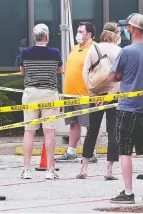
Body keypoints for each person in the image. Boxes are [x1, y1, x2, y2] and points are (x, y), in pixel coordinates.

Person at [76, 22, 121, 180]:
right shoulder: (119, 51)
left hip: (95, 95)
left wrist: (91, 90)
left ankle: (84, 168)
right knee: (113, 132)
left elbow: (84, 71)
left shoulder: (93, 49)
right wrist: (112, 93)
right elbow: (121, 76)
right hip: (114, 96)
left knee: (92, 130)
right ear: (117, 34)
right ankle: (109, 170)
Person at [19, 24, 63, 180]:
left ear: (34, 37)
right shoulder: (55, 53)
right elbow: (60, 70)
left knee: (29, 131)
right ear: (47, 37)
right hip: (49, 93)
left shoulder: (25, 52)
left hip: (30, 93)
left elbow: (22, 71)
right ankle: (50, 170)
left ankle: (26, 169)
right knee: (49, 131)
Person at [109, 13, 143, 204]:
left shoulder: (126, 51)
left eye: (127, 27)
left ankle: (128, 193)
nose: (125, 30)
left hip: (128, 107)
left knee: (125, 150)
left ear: (133, 29)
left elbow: (111, 77)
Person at [56, 22, 97, 162]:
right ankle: (71, 151)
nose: (78, 34)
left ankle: (92, 153)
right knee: (73, 123)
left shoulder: (94, 48)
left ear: (89, 34)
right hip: (69, 93)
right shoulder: (74, 48)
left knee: (90, 125)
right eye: (78, 31)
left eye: (81, 32)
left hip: (85, 94)